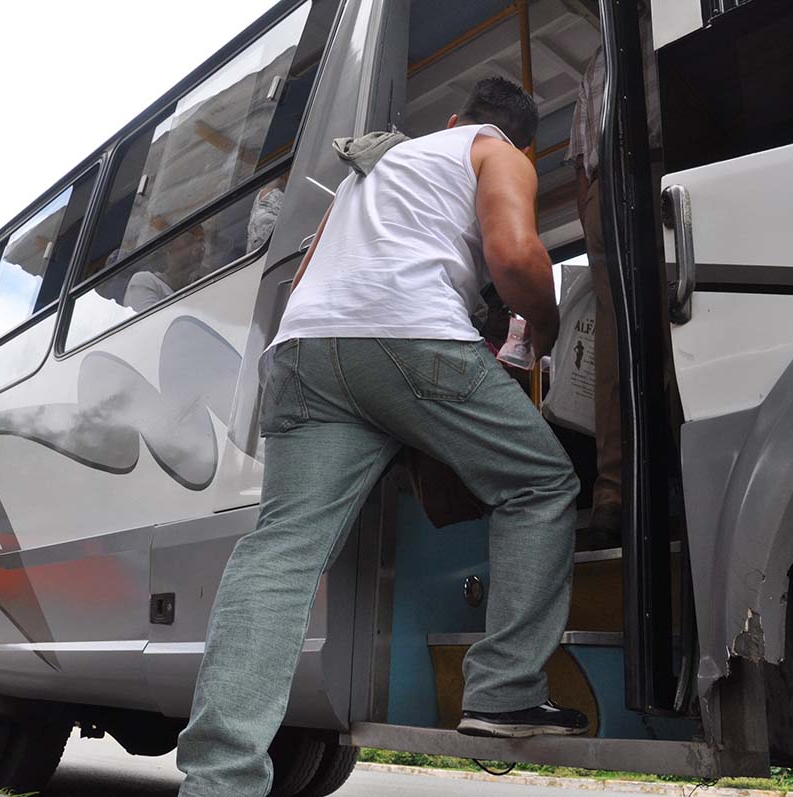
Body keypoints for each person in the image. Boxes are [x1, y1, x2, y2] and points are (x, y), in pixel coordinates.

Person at [176, 76, 585, 797]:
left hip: (304, 350)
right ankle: (501, 690)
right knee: (541, 482)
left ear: (453, 117)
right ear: (522, 140)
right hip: (410, 333)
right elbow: (517, 259)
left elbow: (306, 273)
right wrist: (543, 330)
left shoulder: (376, 168)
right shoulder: (499, 153)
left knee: (280, 554)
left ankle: (219, 779)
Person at [565, 1, 663, 547]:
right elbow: (584, 162)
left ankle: (616, 492)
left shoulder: (602, 59)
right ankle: (640, 485)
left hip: (631, 180)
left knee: (624, 344)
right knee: (653, 335)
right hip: (636, 178)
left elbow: (582, 162)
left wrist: (592, 209)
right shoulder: (632, 47)